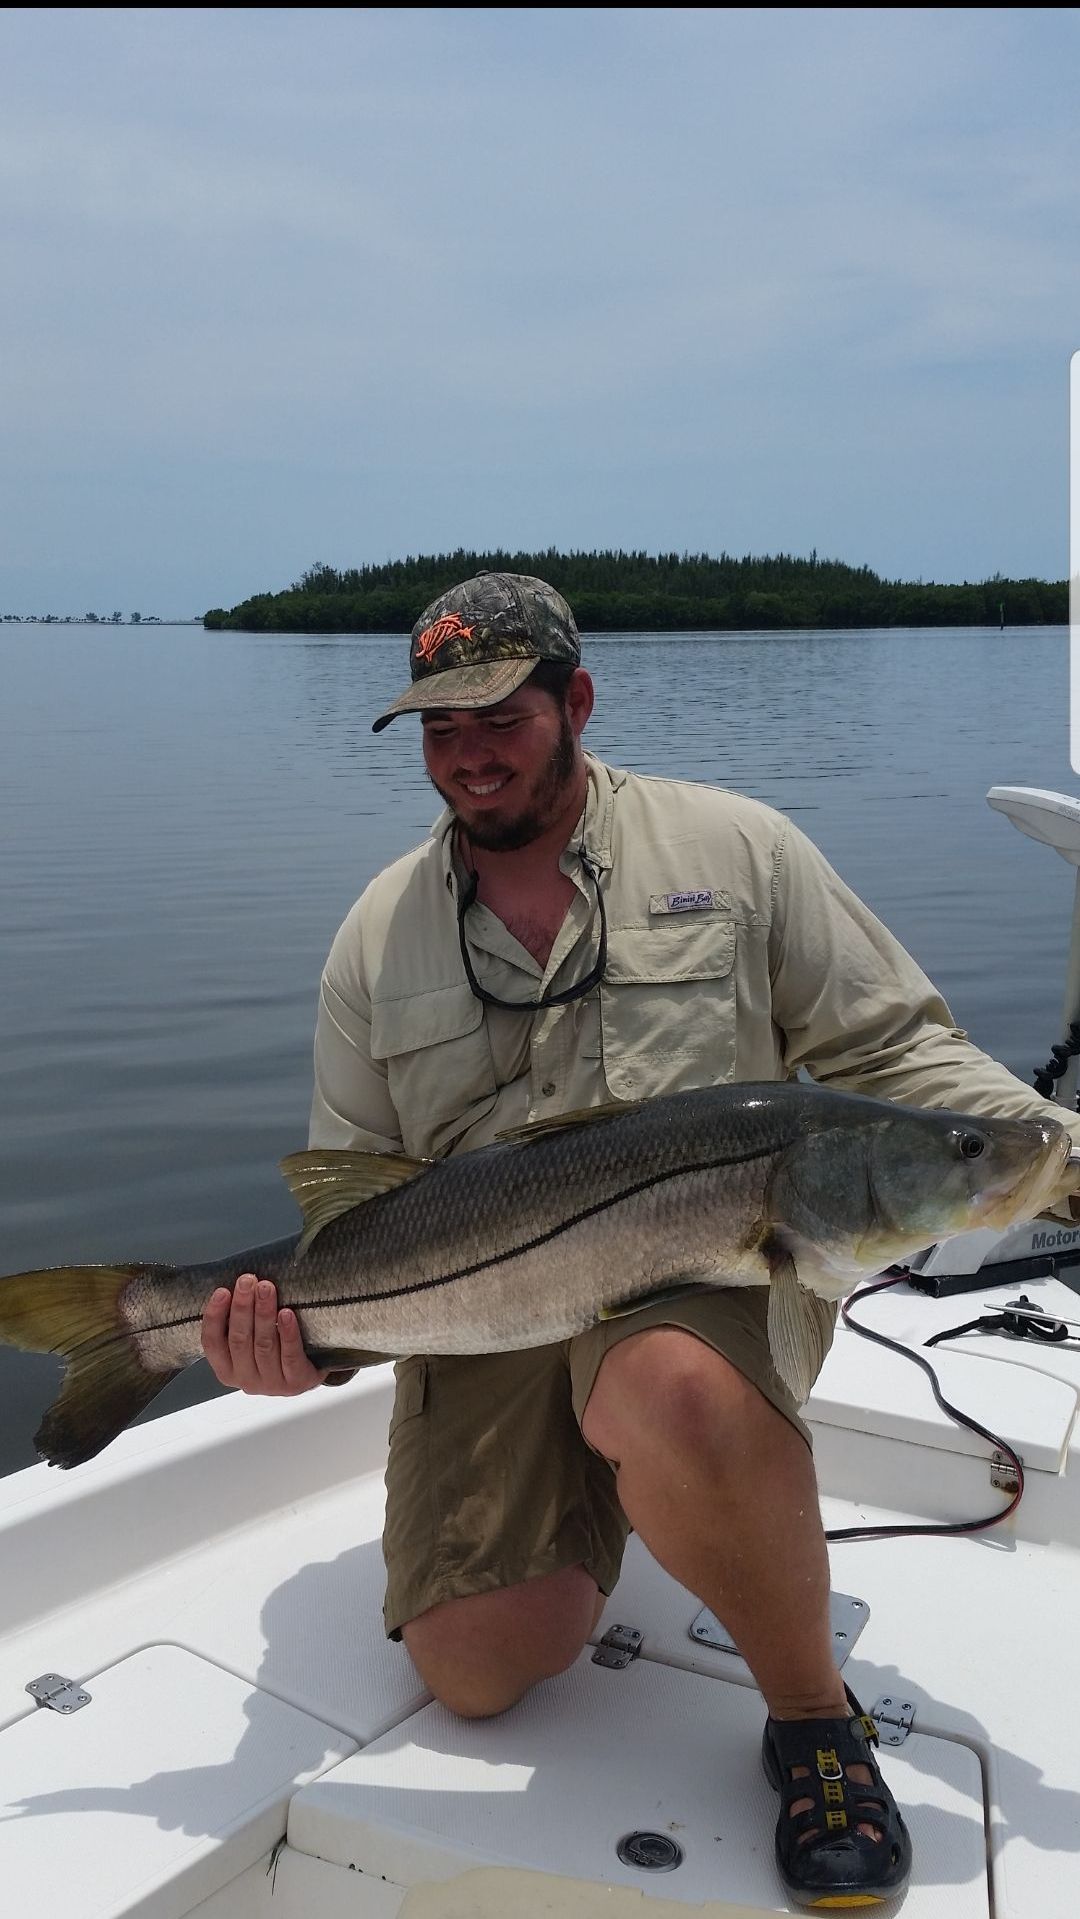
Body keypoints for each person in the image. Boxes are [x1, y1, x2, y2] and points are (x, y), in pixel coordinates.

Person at [202, 571, 1080, 1907]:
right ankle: (622, 1485)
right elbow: (355, 1221)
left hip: (706, 1266)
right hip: (486, 1304)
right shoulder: (378, 936)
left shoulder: (735, 852)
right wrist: (300, 1351)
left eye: (501, 715)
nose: (472, 753)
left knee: (670, 1388)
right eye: (442, 729)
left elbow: (894, 1046)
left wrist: (1054, 1156)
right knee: (483, 1670)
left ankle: (813, 1721)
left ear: (577, 703)